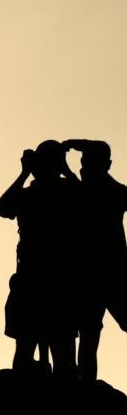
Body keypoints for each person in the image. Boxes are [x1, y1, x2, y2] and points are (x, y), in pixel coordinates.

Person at [0, 140, 80, 380]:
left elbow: (91, 205)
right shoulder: (29, 194)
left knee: (62, 353)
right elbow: (4, 209)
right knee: (26, 348)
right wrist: (24, 173)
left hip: (58, 281)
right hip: (34, 280)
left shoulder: (69, 191)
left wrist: (65, 171)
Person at [62, 139, 127, 383]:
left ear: (106, 165)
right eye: (83, 164)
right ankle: (87, 390)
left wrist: (68, 169)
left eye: (87, 164)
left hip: (110, 275)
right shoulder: (115, 191)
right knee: (88, 337)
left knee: (89, 336)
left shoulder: (115, 192)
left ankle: (88, 390)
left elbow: (88, 196)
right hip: (93, 277)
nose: (82, 169)